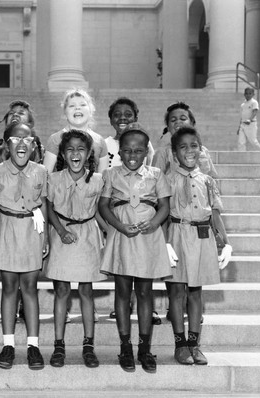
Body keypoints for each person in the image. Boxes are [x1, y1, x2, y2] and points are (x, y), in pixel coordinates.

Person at [98, 123, 172, 374]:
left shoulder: (156, 174)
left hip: (146, 237)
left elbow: (164, 206)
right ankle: (125, 346)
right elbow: (104, 206)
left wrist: (152, 224)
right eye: (127, 151)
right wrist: (118, 226)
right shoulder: (110, 175)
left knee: (144, 291)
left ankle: (144, 347)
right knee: (122, 291)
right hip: (122, 236)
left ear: (146, 152)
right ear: (119, 152)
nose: (132, 155)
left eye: (138, 151)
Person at [165, 127, 232, 365]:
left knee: (196, 292)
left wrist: (225, 243)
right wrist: (164, 243)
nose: (189, 151)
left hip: (202, 237)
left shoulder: (208, 181)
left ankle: (194, 343)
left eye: (194, 145)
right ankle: (180, 343)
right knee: (176, 291)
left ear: (200, 149)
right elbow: (162, 213)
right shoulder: (167, 180)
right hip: (176, 235)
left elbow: (214, 213)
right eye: (182, 147)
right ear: (174, 153)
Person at [0, 122, 49, 370]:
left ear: (33, 145)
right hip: (7, 228)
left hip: (32, 229)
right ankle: (8, 345)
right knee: (9, 286)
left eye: (26, 139)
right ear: (6, 145)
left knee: (30, 287)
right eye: (15, 139)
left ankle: (33, 346)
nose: (21, 144)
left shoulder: (41, 171)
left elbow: (43, 205)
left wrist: (46, 237)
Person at [45, 130, 104, 368]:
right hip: (62, 234)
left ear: (89, 153)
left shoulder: (98, 180)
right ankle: (59, 345)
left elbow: (99, 211)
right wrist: (60, 231)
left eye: (81, 149)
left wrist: (110, 233)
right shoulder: (54, 178)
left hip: (88, 236)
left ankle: (88, 345)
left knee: (86, 291)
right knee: (61, 290)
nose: (75, 153)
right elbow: (48, 207)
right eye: (70, 149)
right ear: (62, 153)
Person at [104, 97, 160, 325]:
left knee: (144, 271)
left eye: (128, 114)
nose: (123, 118)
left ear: (136, 117)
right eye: (117, 114)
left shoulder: (147, 147)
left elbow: (150, 177)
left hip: (142, 213)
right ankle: (123, 309)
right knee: (122, 270)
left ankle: (147, 309)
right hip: (118, 211)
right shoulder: (106, 145)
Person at [43, 88, 108, 173]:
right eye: (72, 106)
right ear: (65, 113)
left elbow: (103, 177)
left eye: (82, 105)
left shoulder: (99, 141)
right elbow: (45, 175)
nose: (77, 108)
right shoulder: (55, 139)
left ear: (91, 110)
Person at [153, 102, 217, 178]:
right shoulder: (162, 152)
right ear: (168, 127)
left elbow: (213, 179)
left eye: (183, 119)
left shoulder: (202, 150)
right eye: (173, 120)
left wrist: (204, 167)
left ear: (192, 123)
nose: (178, 122)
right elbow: (155, 180)